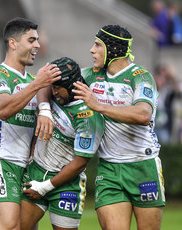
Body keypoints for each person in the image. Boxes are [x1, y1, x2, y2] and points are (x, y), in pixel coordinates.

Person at [73, 25, 165, 230]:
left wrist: (98, 105)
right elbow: (50, 81)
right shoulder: (90, 75)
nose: (91, 50)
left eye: (98, 45)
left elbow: (143, 114)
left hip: (143, 166)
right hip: (109, 169)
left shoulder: (140, 76)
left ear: (112, 49)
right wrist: (43, 109)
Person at [0, 17, 61, 230]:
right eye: (31, 40)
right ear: (13, 43)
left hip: (28, 167)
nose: (37, 45)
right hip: (2, 161)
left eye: (37, 40)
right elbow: (3, 110)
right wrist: (37, 84)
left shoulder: (32, 82)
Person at [20, 57, 105, 230]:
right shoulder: (54, 91)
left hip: (66, 183)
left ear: (72, 86)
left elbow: (80, 163)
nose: (54, 92)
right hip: (36, 171)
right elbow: (43, 85)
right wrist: (44, 109)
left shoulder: (89, 117)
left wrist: (45, 187)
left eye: (58, 89)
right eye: (53, 87)